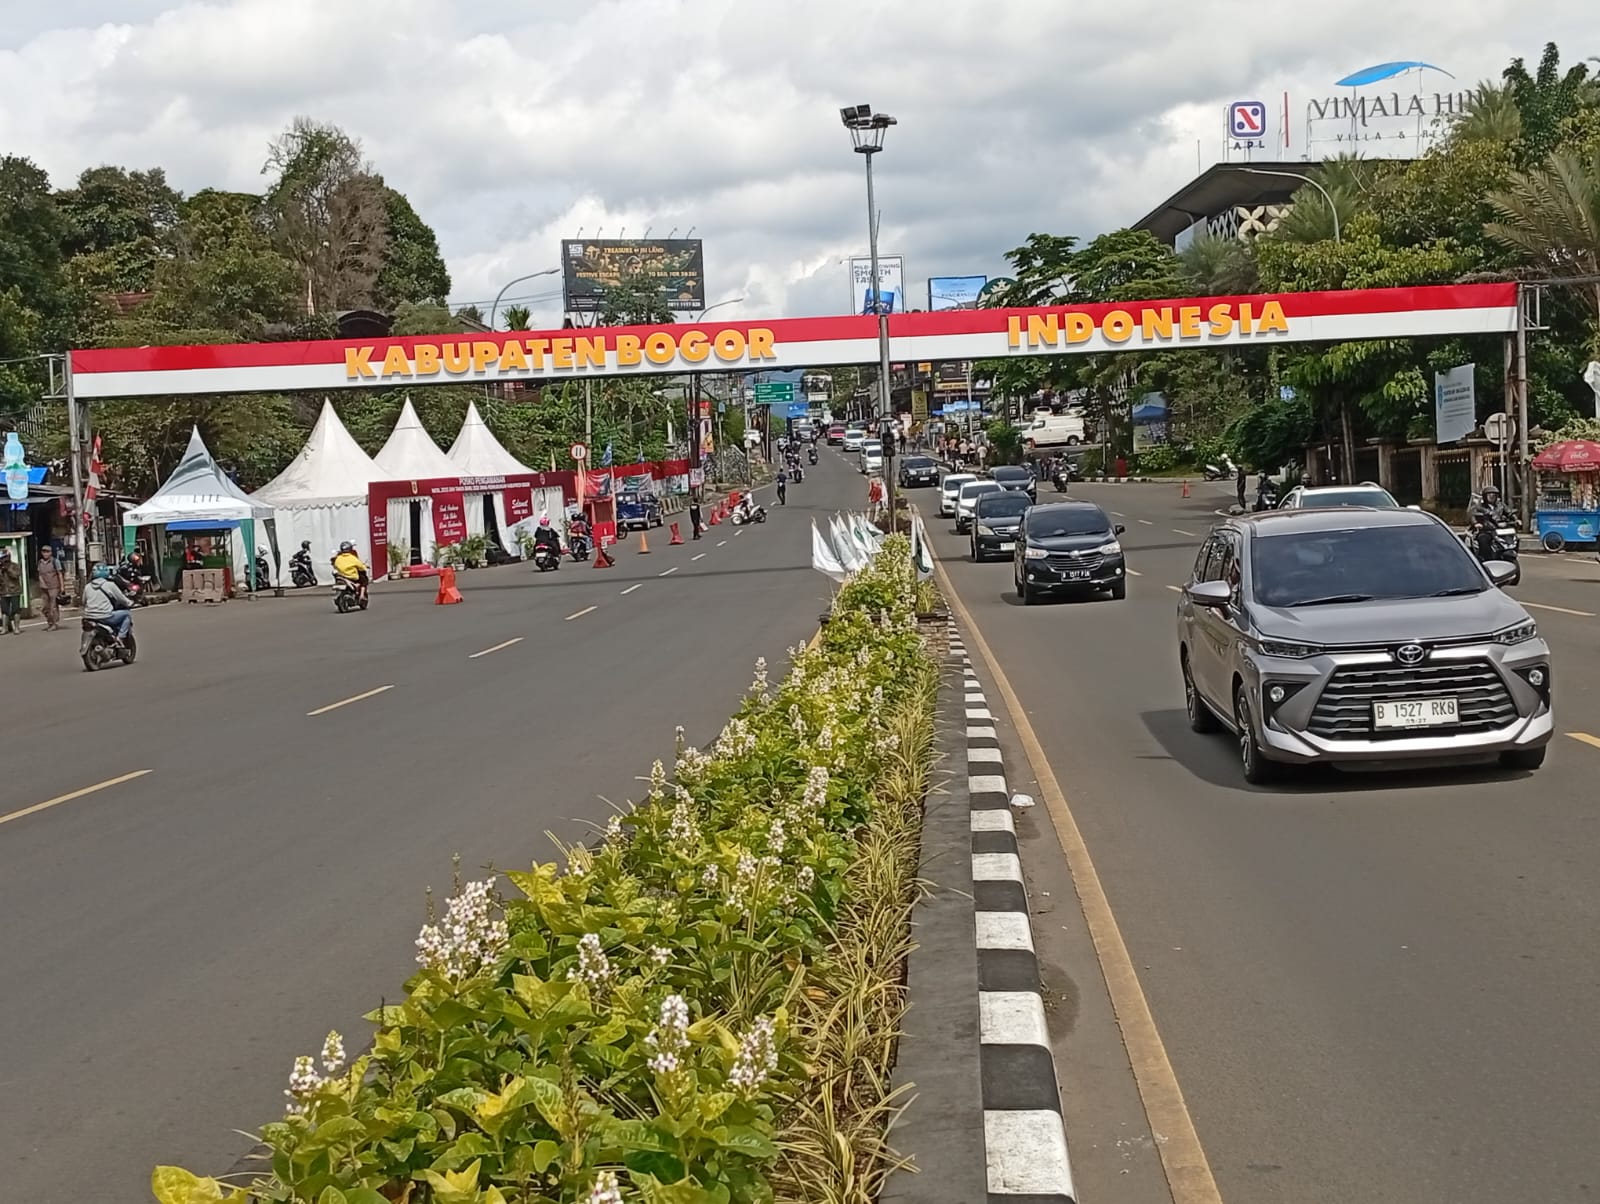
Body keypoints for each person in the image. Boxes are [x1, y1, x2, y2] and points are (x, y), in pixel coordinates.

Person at [83, 563, 134, 640]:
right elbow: (121, 599)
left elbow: (83, 602)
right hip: (105, 616)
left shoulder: (87, 586)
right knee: (127, 614)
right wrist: (130, 603)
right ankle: (120, 637)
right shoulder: (110, 585)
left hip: (89, 617)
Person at [1469, 486, 1513, 557]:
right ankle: (1485, 558)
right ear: (1485, 496)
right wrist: (1476, 523)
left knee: (1511, 538)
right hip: (1486, 530)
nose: (1492, 496)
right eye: (1489, 495)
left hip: (1500, 529)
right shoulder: (1479, 507)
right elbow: (1472, 515)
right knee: (1483, 539)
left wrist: (1516, 519)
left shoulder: (1501, 505)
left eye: (1494, 495)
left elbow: (1509, 513)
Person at [36, 543, 64, 631]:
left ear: (51, 553)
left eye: (47, 552)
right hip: (44, 588)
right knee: (45, 607)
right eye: (44, 551)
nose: (45, 553)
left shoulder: (55, 561)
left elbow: (60, 574)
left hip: (54, 587)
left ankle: (54, 623)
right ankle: (50, 622)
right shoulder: (40, 562)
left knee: (53, 606)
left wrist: (62, 587)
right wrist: (41, 584)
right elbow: (39, 574)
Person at [0, 547, 21, 633]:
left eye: (4, 557)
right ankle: (5, 628)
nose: (2, 560)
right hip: (3, 591)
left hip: (14, 591)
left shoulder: (15, 565)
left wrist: (8, 570)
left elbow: (16, 575)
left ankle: (17, 628)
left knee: (15, 609)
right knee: (4, 611)